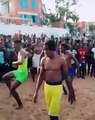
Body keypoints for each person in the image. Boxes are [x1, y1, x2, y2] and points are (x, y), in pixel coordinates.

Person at [33, 40, 75, 120]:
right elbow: (41, 76)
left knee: (53, 114)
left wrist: (70, 91)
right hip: (47, 88)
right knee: (50, 112)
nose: (45, 52)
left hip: (57, 88)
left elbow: (66, 77)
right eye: (44, 49)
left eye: (47, 49)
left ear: (53, 50)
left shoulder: (61, 60)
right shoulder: (44, 60)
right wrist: (36, 92)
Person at [2, 40, 29, 109]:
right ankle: (11, 90)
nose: (13, 46)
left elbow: (21, 62)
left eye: (14, 44)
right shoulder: (21, 51)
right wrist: (28, 55)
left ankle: (20, 105)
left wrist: (14, 63)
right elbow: (28, 55)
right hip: (19, 71)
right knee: (4, 77)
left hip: (23, 73)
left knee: (13, 89)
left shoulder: (22, 51)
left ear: (18, 44)